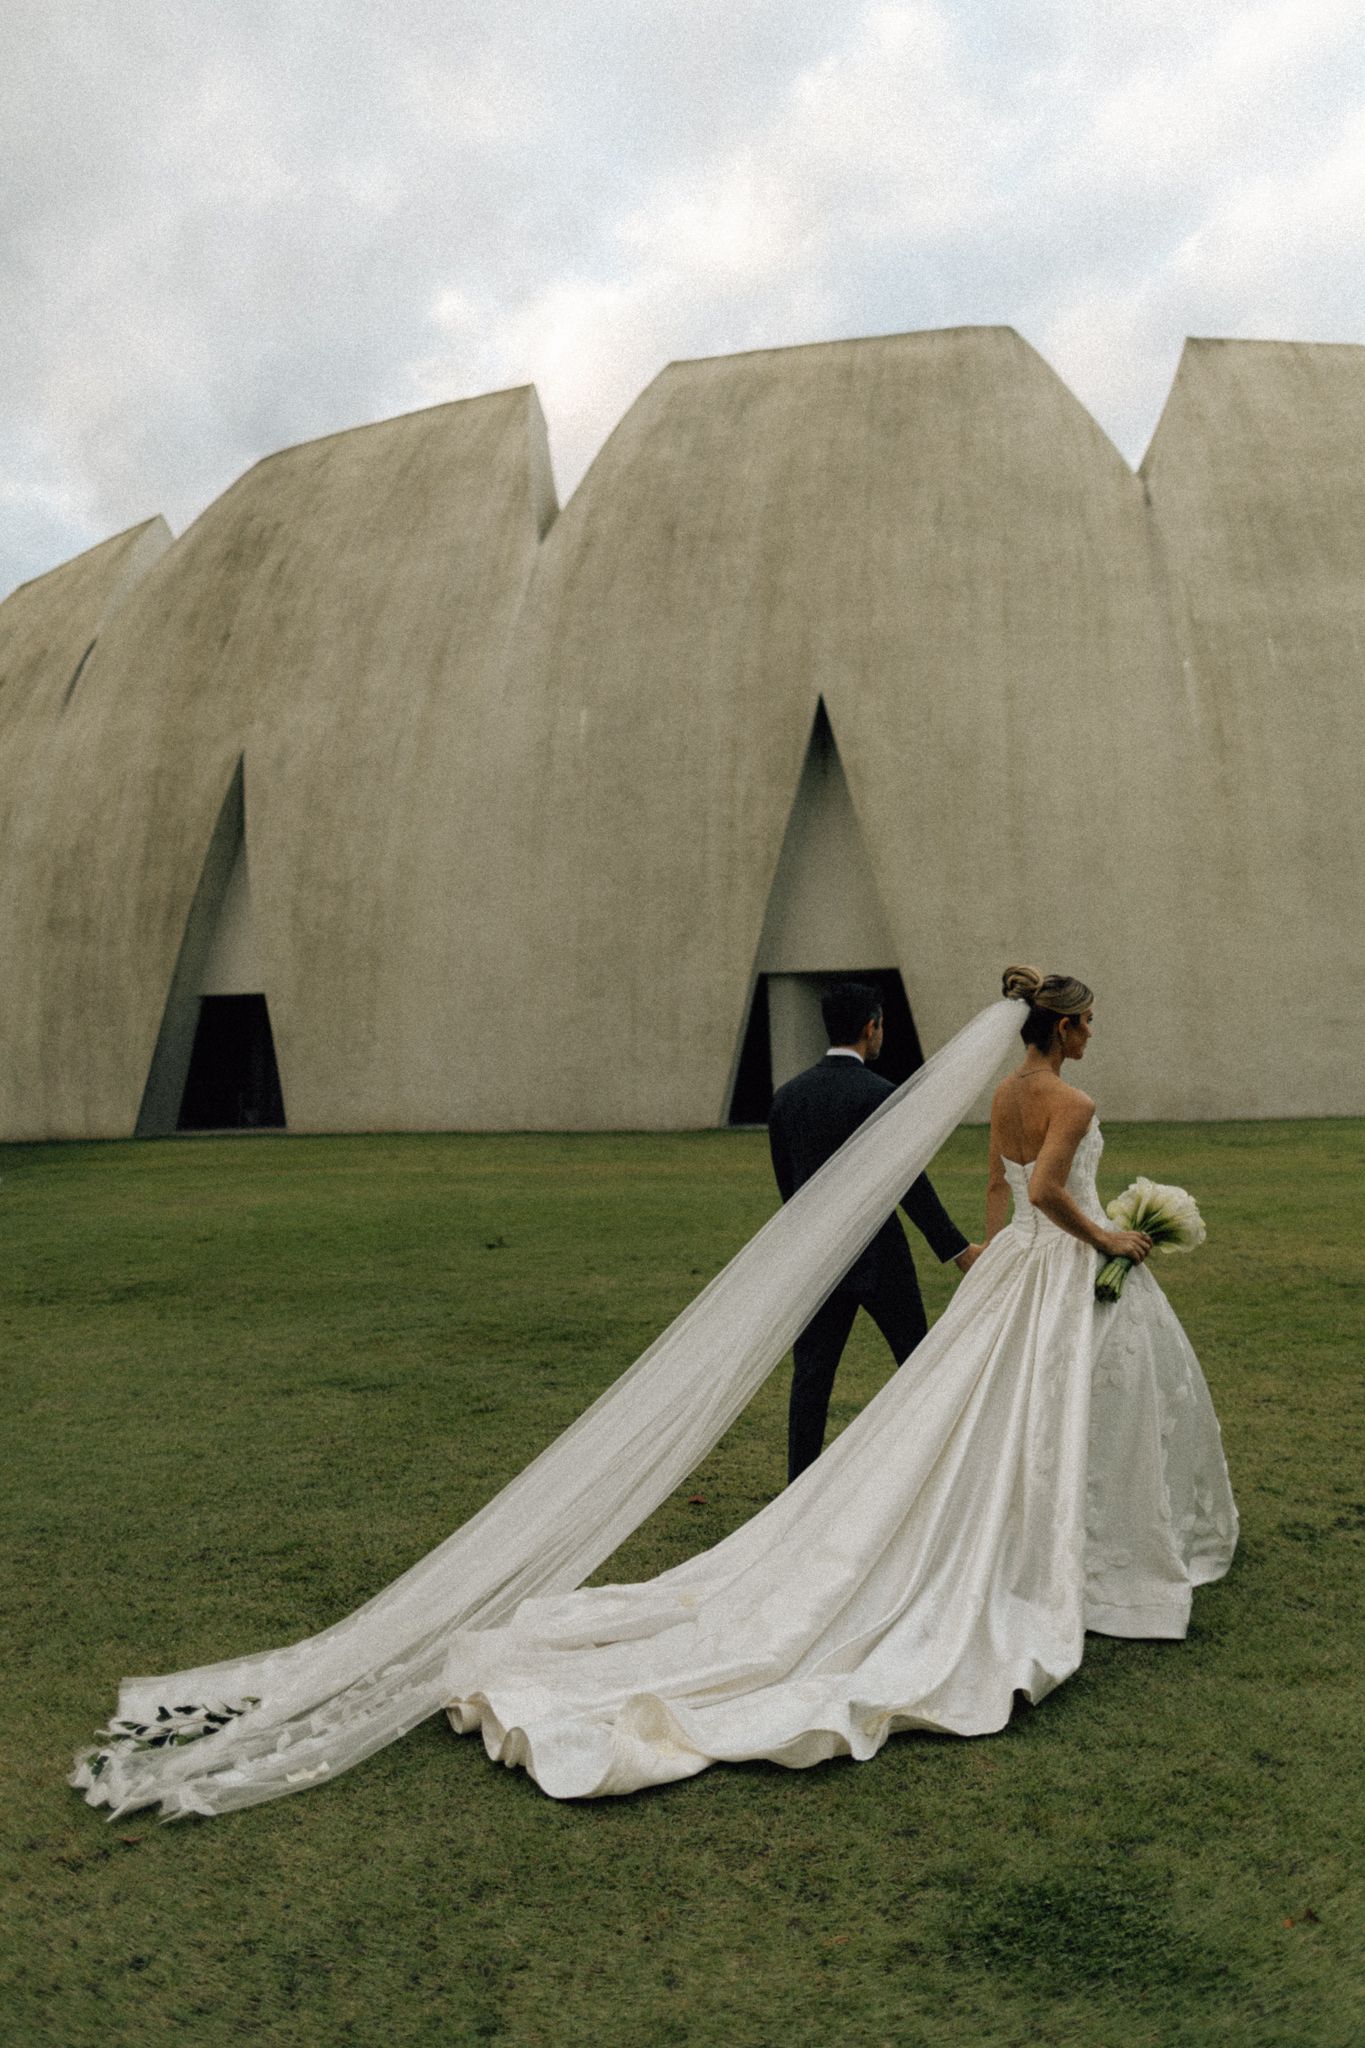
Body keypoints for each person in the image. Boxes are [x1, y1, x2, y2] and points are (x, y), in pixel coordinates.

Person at [71, 968, 1237, 1817]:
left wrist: (979, 1249)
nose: (1092, 1032)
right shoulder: (1044, 1103)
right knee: (973, 1406)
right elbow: (1022, 1191)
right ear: (1063, 1025)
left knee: (895, 1396)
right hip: (1020, 1259)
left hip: (900, 1262)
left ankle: (855, 1499)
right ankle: (1003, 1541)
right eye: (1088, 1019)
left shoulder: (846, 1097)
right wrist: (1103, 1238)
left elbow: (975, 1187)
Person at [768, 981, 980, 1481]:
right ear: (871, 1027)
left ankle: (799, 1483)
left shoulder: (787, 1097)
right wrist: (955, 1248)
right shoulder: (881, 1095)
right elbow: (909, 1182)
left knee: (812, 1377)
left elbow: (788, 1184)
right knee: (916, 1362)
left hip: (815, 1257)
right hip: (879, 1255)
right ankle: (930, 1472)